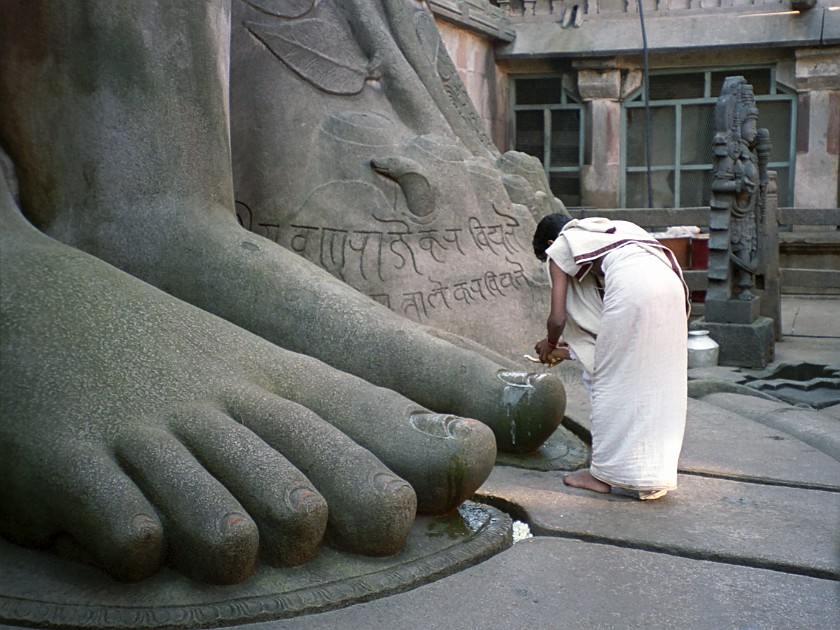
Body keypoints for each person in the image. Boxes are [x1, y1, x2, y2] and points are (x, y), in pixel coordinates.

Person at [532, 214, 690, 500]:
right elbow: (606, 333)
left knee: (603, 380)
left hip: (633, 287)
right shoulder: (608, 232)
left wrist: (549, 343)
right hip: (671, 283)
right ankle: (651, 476)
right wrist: (568, 348)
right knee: (658, 379)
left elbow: (557, 318)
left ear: (550, 243)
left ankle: (600, 474)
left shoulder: (561, 246)